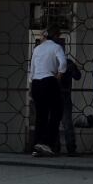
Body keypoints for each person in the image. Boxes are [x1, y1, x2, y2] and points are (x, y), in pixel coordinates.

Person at [28, 26, 68, 156]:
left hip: (36, 83)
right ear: (56, 36)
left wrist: (31, 86)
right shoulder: (56, 47)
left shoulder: (37, 49)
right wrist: (59, 75)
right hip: (49, 81)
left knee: (41, 115)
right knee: (56, 113)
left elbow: (32, 69)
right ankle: (48, 143)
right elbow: (63, 63)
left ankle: (37, 144)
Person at [56, 36, 83, 156]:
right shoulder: (65, 62)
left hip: (61, 96)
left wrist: (73, 68)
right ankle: (66, 148)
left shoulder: (67, 63)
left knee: (62, 123)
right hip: (60, 95)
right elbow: (78, 76)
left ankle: (64, 148)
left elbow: (78, 76)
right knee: (63, 123)